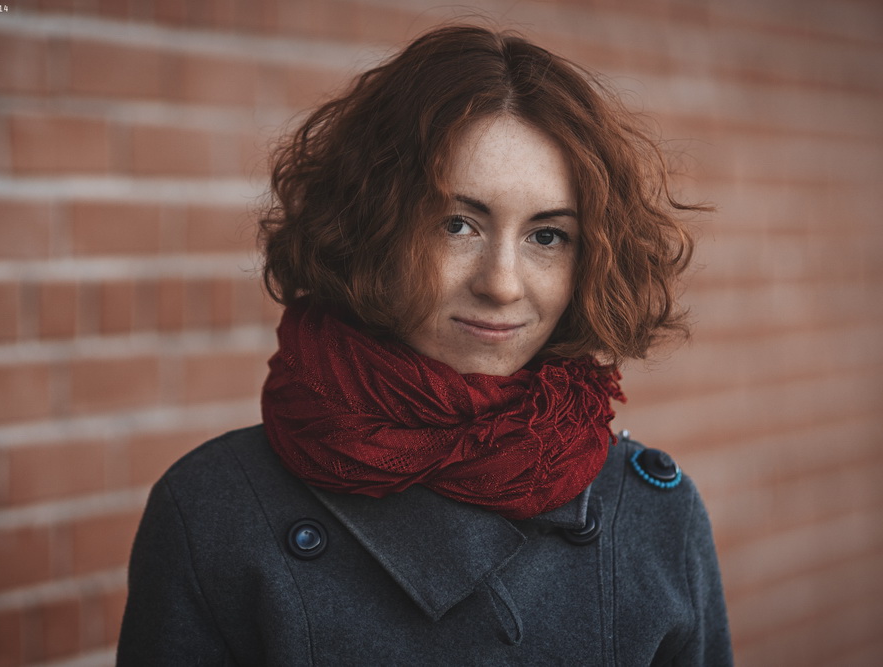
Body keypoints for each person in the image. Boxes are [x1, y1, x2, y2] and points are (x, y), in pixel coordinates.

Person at [117, 24, 732, 666]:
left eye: (547, 237)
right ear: (373, 227)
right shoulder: (214, 510)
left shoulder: (654, 519)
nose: (500, 283)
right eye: (458, 224)